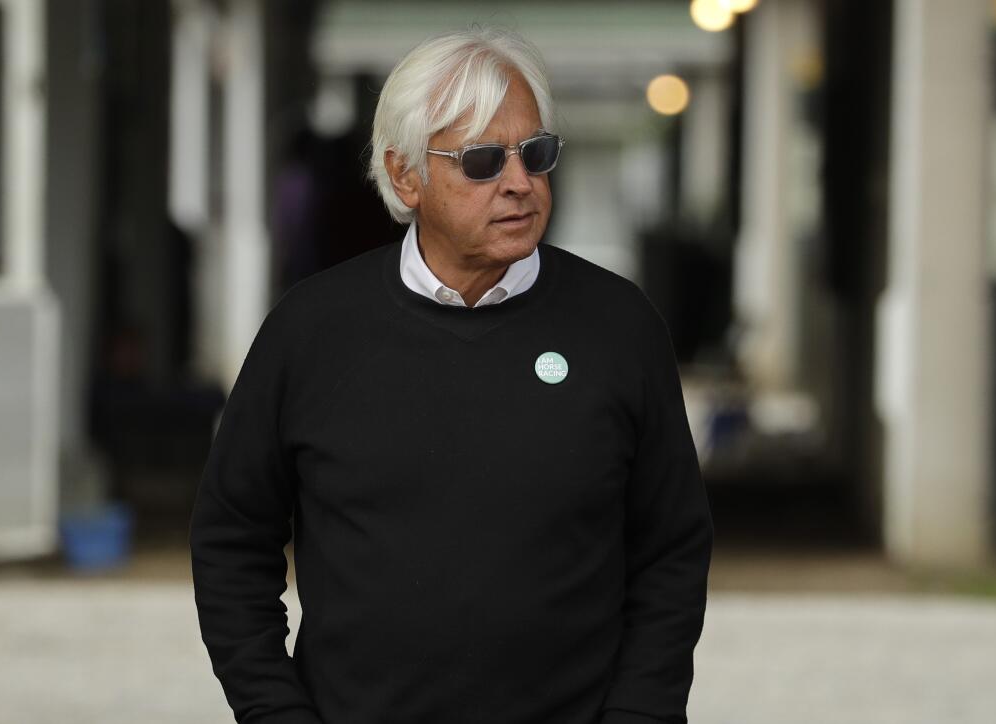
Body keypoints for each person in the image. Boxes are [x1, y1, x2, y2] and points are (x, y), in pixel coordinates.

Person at [189, 24, 714, 724]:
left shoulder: (620, 328)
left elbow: (672, 549)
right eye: (483, 161)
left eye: (536, 153)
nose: (520, 184)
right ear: (405, 174)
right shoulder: (311, 331)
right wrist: (274, 710)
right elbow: (231, 539)